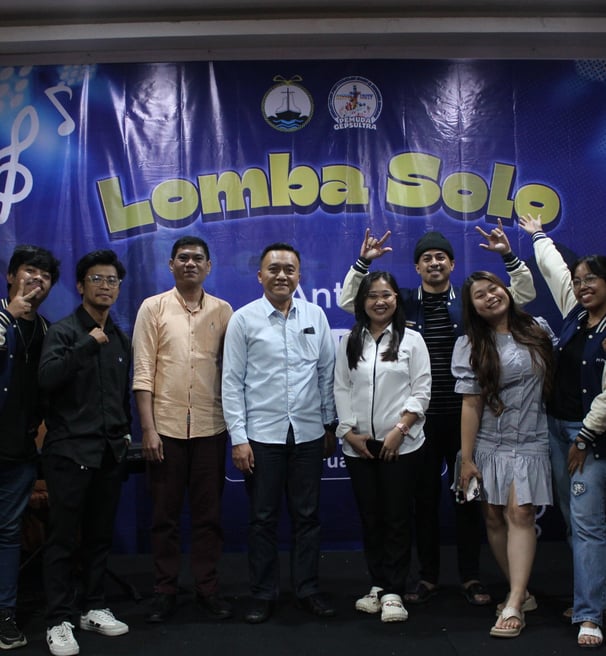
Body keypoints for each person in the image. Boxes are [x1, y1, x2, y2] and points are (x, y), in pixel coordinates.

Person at [338, 223, 536, 606]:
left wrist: (509, 257)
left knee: (468, 501)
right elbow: (351, 302)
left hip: (467, 417)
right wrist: (363, 263)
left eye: (440, 257)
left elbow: (523, 294)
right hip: (419, 422)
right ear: (417, 268)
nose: (434, 263)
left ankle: (471, 576)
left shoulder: (469, 301)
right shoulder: (403, 302)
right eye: (426, 258)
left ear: (452, 264)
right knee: (423, 502)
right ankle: (427, 576)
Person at [222, 242, 337, 624]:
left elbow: (326, 373)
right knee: (262, 519)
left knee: (308, 517)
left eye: (289, 269)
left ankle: (307, 589)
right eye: (274, 269)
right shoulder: (243, 319)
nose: (282, 275)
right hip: (261, 437)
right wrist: (239, 438)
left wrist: (328, 425)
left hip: (308, 433)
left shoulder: (315, 315)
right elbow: (231, 382)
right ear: (260, 275)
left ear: (299, 275)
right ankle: (262, 593)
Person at [132, 236, 233, 623]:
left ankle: (207, 588)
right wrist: (148, 429)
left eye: (197, 258)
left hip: (211, 427)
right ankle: (165, 591)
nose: (190, 263)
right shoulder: (152, 307)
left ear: (209, 266)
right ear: (171, 264)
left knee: (209, 517)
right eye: (183, 258)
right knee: (164, 517)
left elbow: (233, 371)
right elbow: (143, 371)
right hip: (166, 429)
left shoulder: (224, 311)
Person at [519, 213, 606, 648]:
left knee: (588, 526)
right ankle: (591, 597)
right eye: (579, 280)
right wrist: (538, 235)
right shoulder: (576, 314)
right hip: (555, 429)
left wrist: (584, 437)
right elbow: (553, 268)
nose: (583, 285)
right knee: (575, 524)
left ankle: (590, 615)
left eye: (592, 279)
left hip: (586, 438)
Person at [451, 270, 554, 638]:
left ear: (505, 289)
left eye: (493, 288)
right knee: (494, 517)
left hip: (532, 438)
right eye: (479, 295)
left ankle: (512, 603)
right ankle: (520, 592)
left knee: (521, 512)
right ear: (473, 307)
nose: (490, 296)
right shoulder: (471, 345)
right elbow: (471, 404)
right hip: (490, 442)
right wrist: (467, 459)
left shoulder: (538, 329)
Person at [39, 250, 131, 656]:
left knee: (99, 536)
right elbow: (46, 379)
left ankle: (93, 606)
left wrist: (124, 435)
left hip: (109, 453)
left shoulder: (120, 337)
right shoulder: (63, 332)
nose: (105, 286)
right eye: (97, 279)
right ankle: (57, 619)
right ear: (80, 286)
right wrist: (87, 346)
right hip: (69, 452)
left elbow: (120, 397)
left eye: (112, 280)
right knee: (62, 540)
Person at [334, 271, 431, 623]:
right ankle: (377, 585)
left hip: (401, 446)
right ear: (362, 302)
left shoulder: (412, 340)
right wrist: (348, 432)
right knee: (371, 518)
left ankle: (394, 591)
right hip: (359, 447)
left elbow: (422, 390)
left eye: (386, 294)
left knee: (397, 518)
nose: (379, 301)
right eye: (372, 295)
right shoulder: (351, 340)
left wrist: (400, 430)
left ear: (396, 299)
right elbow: (341, 387)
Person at [0, 245, 59, 650]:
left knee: (8, 534)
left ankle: (5, 614)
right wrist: (8, 316)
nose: (37, 279)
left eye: (45, 275)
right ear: (10, 276)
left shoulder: (47, 331)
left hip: (18, 452)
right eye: (29, 271)